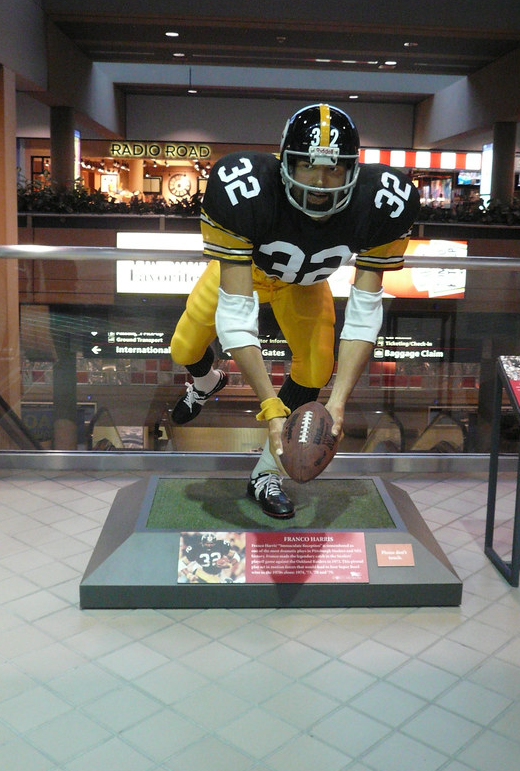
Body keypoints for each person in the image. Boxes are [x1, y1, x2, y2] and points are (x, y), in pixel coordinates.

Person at [169, 103, 420, 519]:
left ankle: (266, 474)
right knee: (183, 348)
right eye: (307, 166)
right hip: (245, 273)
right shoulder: (245, 188)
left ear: (353, 170)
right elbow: (237, 315)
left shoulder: (382, 200)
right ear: (284, 160)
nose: (320, 182)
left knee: (318, 370)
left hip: (303, 285)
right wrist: (270, 407)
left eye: (334, 169)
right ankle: (206, 382)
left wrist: (337, 403)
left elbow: (364, 311)